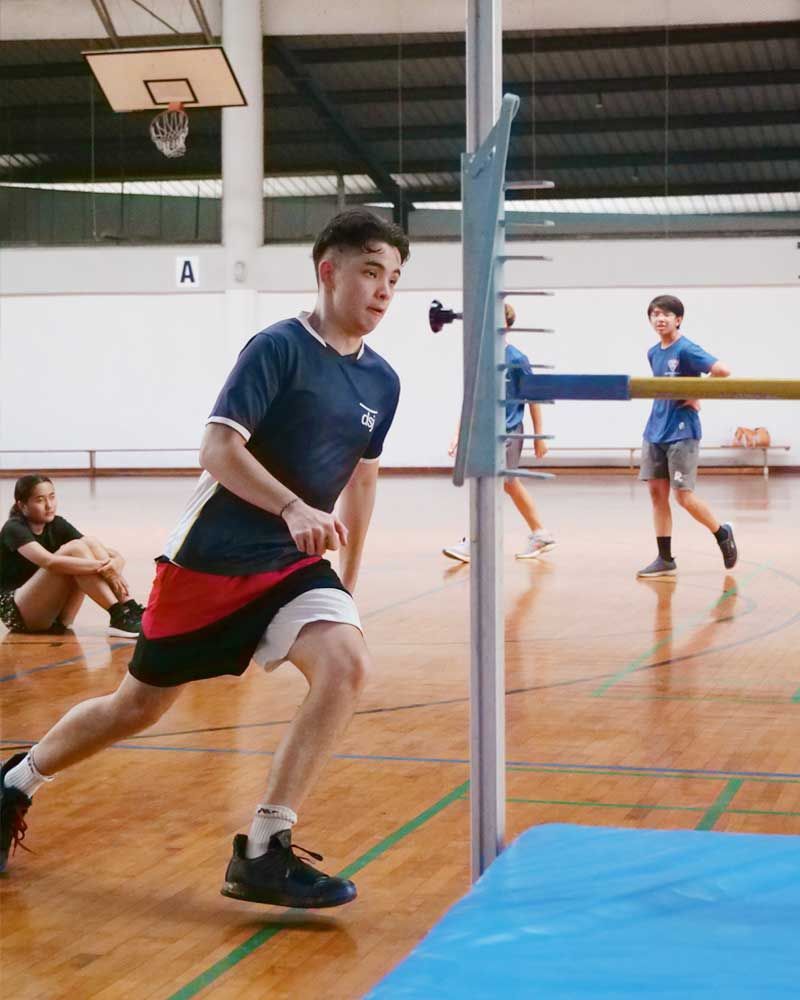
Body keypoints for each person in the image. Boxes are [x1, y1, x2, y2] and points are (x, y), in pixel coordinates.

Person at [0, 208, 409, 910]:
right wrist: (290, 506)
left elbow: (361, 479)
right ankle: (15, 783)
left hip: (292, 566)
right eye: (371, 270)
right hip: (211, 563)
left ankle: (264, 849)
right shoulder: (278, 347)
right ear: (328, 271)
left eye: (394, 279)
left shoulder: (384, 383)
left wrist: (350, 576)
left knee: (348, 663)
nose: (383, 291)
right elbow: (218, 451)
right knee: (136, 707)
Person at [442, 303, 555, 563]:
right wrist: (459, 434)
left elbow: (533, 397)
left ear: (506, 324)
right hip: (484, 432)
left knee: (490, 482)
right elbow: (470, 399)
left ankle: (475, 542)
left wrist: (539, 437)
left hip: (508, 431)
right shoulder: (480, 358)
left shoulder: (516, 359)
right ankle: (540, 533)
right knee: (507, 483)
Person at [637, 294, 738, 578]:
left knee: (683, 497)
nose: (660, 318)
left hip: (682, 432)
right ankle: (665, 558)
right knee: (657, 496)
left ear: (678, 319)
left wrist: (697, 392)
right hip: (654, 430)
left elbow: (723, 370)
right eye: (655, 314)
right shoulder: (653, 352)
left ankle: (722, 533)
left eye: (666, 314)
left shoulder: (687, 349)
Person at [0, 475, 143, 638]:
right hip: (21, 616)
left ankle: (130, 608)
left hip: (57, 616)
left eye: (52, 497)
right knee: (75, 549)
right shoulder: (13, 528)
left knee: (90, 542)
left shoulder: (57, 523)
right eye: (40, 500)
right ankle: (118, 615)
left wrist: (116, 562)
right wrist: (105, 567)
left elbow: (107, 552)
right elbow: (49, 562)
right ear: (22, 505)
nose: (49, 505)